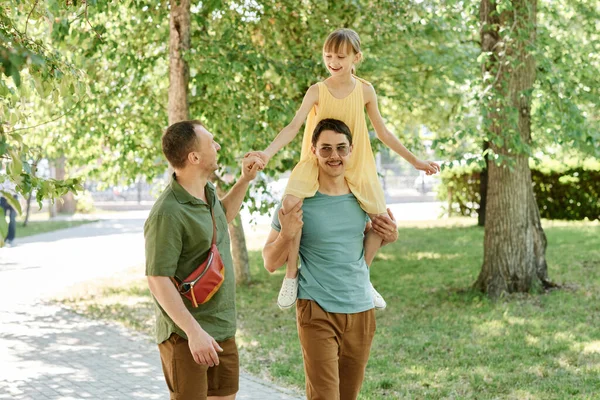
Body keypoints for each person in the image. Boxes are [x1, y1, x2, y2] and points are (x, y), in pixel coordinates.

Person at [246, 28, 440, 310]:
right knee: (290, 205)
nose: (333, 61)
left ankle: (364, 276)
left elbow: (383, 133)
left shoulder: (365, 90)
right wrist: (266, 152)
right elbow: (293, 126)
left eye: (340, 56)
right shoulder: (317, 91)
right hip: (317, 161)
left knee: (382, 221)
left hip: (355, 161)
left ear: (355, 58)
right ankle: (291, 275)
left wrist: (417, 162)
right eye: (328, 56)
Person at [263, 119, 398, 399]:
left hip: (361, 309)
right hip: (317, 308)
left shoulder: (363, 196)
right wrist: (286, 234)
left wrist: (389, 234)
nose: (333, 156)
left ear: (351, 151)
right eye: (325, 149)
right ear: (313, 151)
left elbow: (372, 236)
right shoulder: (298, 200)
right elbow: (269, 261)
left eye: (340, 148)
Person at [144, 120, 263, 400]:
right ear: (194, 157)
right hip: (186, 336)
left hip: (221, 328)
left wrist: (245, 179)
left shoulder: (206, 191)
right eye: (211, 142)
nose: (218, 145)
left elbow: (222, 216)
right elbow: (157, 279)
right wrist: (194, 332)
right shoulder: (168, 213)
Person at [0, 178, 18, 247]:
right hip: (3, 197)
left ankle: (11, 238)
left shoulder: (14, 173)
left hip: (13, 197)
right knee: (1, 219)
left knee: (12, 219)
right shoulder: (2, 173)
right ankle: (3, 238)